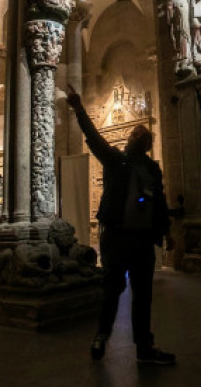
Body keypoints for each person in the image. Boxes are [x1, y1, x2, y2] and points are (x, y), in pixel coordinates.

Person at [65, 84, 175, 365]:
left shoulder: (137, 166)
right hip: (125, 238)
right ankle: (118, 340)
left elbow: (158, 202)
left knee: (129, 293)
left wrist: (166, 232)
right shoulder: (129, 164)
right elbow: (94, 139)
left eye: (142, 136)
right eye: (139, 135)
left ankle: (126, 342)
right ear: (138, 143)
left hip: (129, 238)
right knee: (125, 292)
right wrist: (78, 109)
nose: (140, 138)